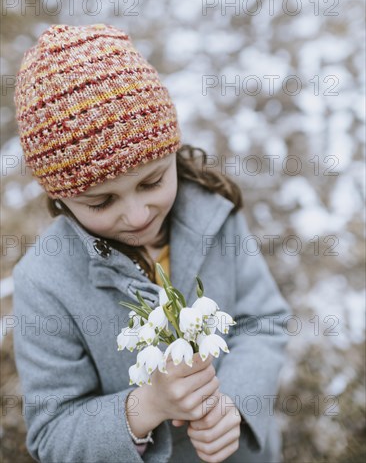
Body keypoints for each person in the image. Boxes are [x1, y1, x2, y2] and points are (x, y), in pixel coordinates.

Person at [12, 24, 291, 463]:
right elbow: (52, 435)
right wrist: (146, 406)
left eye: (153, 181)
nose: (138, 215)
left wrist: (236, 403)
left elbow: (264, 321)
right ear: (61, 199)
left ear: (172, 152)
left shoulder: (212, 212)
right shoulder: (45, 283)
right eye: (102, 201)